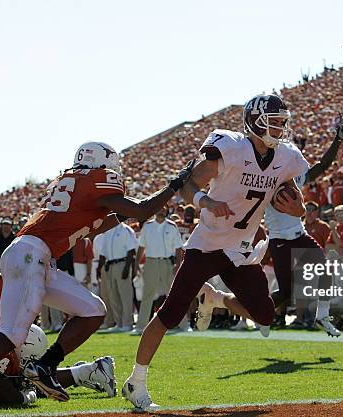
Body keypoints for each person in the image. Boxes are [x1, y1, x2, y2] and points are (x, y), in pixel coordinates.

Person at [0, 141, 194, 415]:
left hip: (35, 254)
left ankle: (45, 365)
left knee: (94, 310)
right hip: (31, 254)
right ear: (104, 163)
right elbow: (143, 211)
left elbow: (92, 228)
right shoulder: (98, 179)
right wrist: (174, 185)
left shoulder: (69, 181)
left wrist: (121, 213)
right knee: (12, 334)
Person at [122, 94, 309, 411]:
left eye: (282, 121)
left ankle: (215, 299)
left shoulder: (286, 156)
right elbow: (187, 184)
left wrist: (300, 209)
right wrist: (205, 202)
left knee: (264, 316)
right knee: (171, 312)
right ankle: (135, 383)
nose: (280, 127)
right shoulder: (230, 146)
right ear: (254, 120)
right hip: (207, 242)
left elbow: (294, 197)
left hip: (240, 248)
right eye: (274, 121)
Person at [264, 117, 343, 336]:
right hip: (279, 238)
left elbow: (322, 166)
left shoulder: (297, 174)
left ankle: (322, 314)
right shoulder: (266, 177)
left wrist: (337, 141)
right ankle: (260, 313)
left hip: (298, 234)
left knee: (326, 269)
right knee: (285, 293)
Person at [132, 209, 185, 335]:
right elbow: (141, 246)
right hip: (150, 262)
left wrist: (178, 264)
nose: (161, 211)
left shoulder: (172, 226)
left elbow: (178, 248)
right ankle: (140, 326)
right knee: (147, 295)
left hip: (167, 263)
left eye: (164, 208)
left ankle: (183, 325)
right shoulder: (147, 226)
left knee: (173, 294)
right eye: (159, 208)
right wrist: (136, 264)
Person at [97, 221, 139, 332]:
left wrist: (127, 268)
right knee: (113, 296)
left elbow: (131, 251)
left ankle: (127, 324)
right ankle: (119, 323)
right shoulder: (108, 231)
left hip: (122, 264)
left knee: (125, 296)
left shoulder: (126, 230)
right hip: (109, 265)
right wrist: (99, 267)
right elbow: (103, 252)